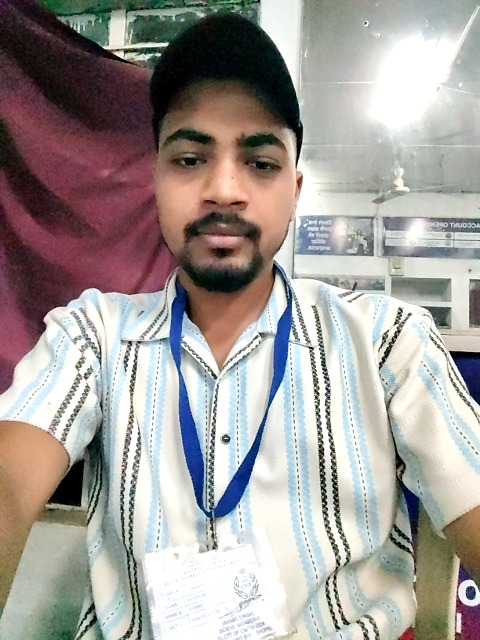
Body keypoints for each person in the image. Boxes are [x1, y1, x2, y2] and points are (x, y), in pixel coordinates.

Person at [1, 12, 480, 640]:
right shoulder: (92, 337)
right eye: (190, 158)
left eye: (260, 162)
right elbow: (8, 484)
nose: (224, 190)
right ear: (155, 179)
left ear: (295, 189)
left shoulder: (387, 343)